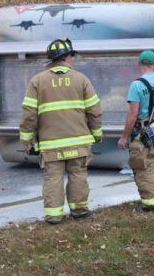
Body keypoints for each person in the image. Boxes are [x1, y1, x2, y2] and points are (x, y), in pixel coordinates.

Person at [19, 38, 102, 224]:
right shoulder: (81, 79)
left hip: (51, 144)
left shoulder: (37, 81)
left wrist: (26, 140)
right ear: (66, 57)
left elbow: (28, 114)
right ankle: (80, 211)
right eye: (71, 55)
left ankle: (54, 216)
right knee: (78, 175)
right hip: (78, 143)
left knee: (53, 179)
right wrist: (97, 135)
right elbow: (94, 111)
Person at [118, 50, 154, 211]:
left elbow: (133, 113)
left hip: (145, 132)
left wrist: (124, 137)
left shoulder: (136, 85)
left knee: (144, 167)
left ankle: (151, 203)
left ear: (140, 64)